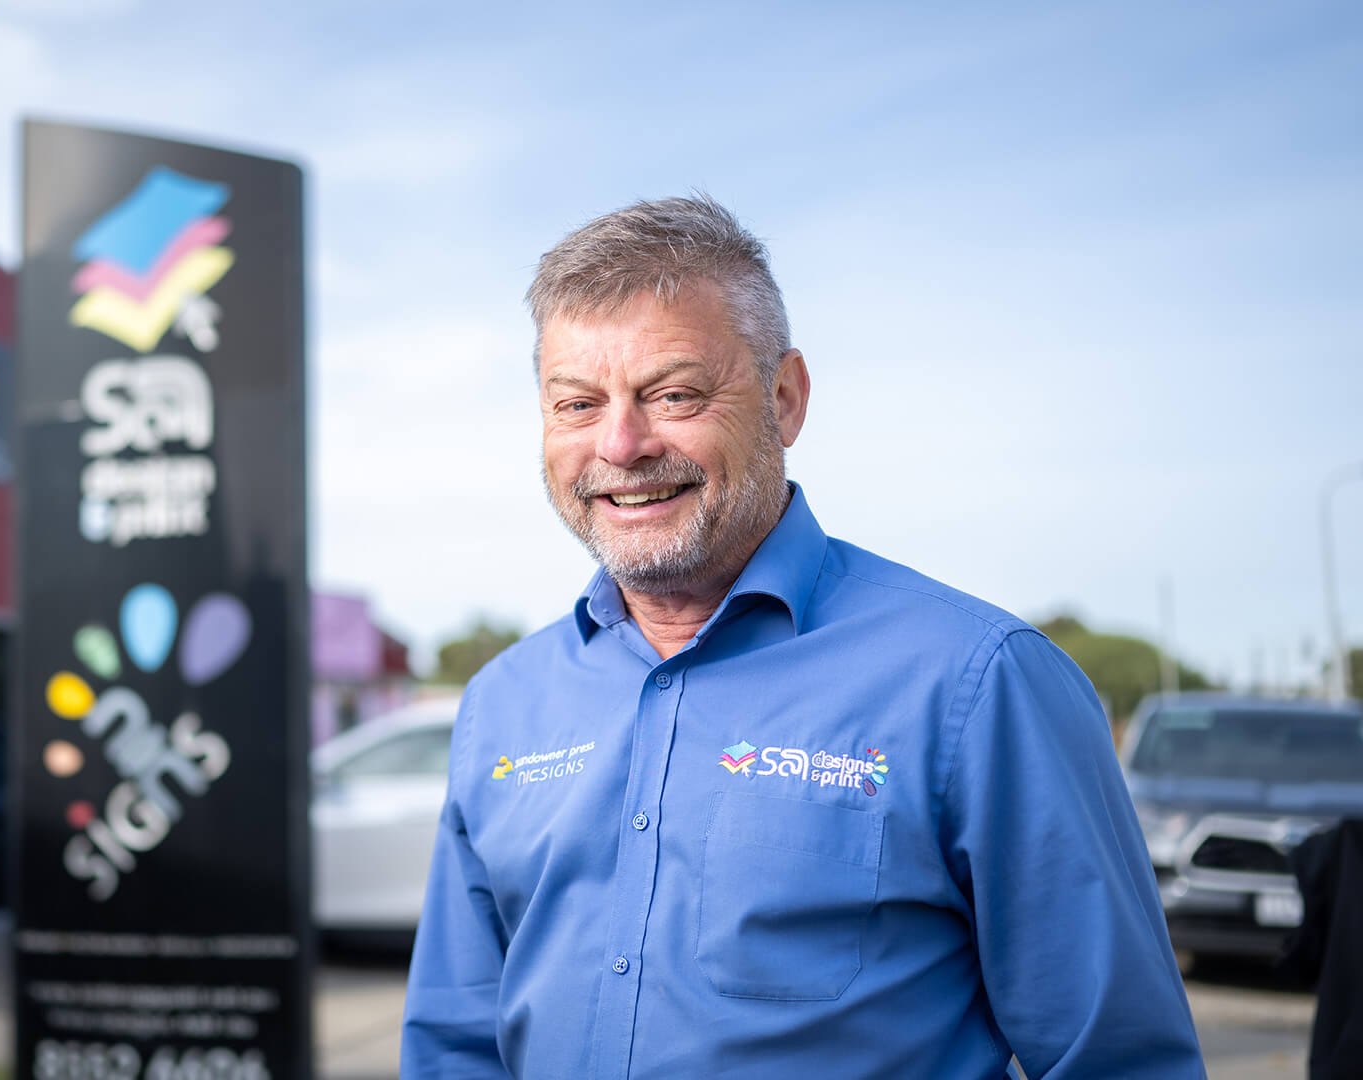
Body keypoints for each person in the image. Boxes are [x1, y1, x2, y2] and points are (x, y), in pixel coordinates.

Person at [399, 195, 1205, 1078]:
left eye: (673, 394)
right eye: (578, 404)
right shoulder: (504, 706)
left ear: (784, 400)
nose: (621, 444)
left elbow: (1119, 1059)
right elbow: (455, 1045)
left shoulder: (978, 683)